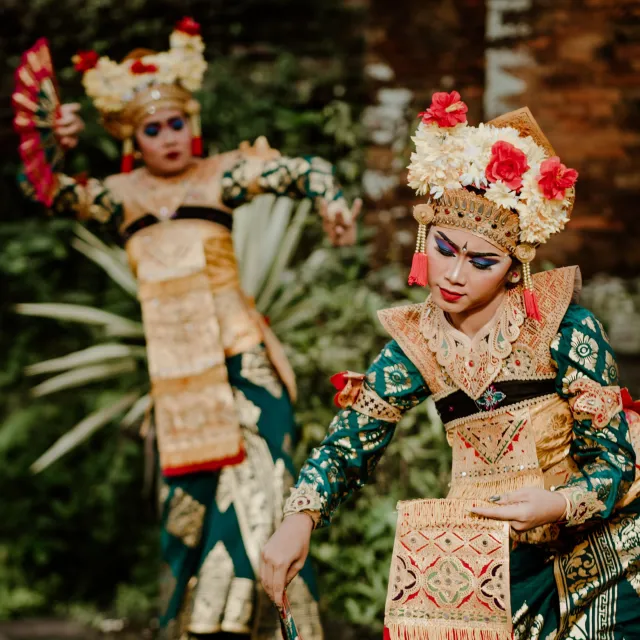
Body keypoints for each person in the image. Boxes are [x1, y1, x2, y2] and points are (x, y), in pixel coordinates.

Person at [16, 17, 363, 640]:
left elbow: (304, 170)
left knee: (263, 497)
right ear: (132, 137)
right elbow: (40, 188)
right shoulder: (117, 196)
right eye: (152, 129)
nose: (168, 138)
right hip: (180, 386)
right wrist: (59, 143)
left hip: (245, 365)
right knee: (190, 518)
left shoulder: (220, 177)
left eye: (177, 123)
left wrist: (332, 202)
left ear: (192, 125)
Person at [261, 91, 640, 639]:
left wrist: (557, 503)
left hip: (596, 547)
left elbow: (615, 464)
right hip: (486, 550)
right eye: (444, 249)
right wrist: (300, 518)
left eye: (481, 261)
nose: (455, 275)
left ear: (515, 269)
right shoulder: (416, 344)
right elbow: (349, 443)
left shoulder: (565, 329)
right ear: (426, 237)